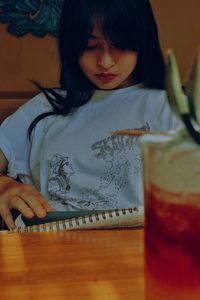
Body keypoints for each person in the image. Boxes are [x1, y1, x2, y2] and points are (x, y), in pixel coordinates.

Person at [0, 0, 179, 229]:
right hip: (45, 252)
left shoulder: (171, 109)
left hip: (138, 254)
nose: (105, 62)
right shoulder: (43, 108)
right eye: (89, 46)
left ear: (141, 40)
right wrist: (4, 186)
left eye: (120, 44)